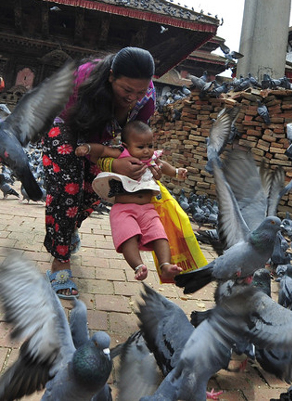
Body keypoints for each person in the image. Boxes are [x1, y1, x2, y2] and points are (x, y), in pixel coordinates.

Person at [41, 47, 157, 299]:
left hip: (105, 143)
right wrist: (107, 159)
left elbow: (135, 140)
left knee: (99, 188)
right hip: (66, 130)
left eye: (140, 91)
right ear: (111, 76)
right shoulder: (83, 80)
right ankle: (60, 261)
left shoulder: (146, 97)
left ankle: (67, 229)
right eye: (127, 90)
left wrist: (133, 164)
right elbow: (68, 126)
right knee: (68, 189)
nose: (134, 98)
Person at [80, 121, 188, 281]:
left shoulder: (151, 160)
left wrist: (177, 172)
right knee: (127, 236)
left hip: (147, 209)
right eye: (140, 147)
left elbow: (163, 166)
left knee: (159, 235)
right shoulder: (121, 154)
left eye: (150, 145)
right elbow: (102, 150)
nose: (147, 151)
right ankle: (138, 265)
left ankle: (165, 265)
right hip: (123, 209)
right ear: (125, 145)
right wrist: (88, 148)